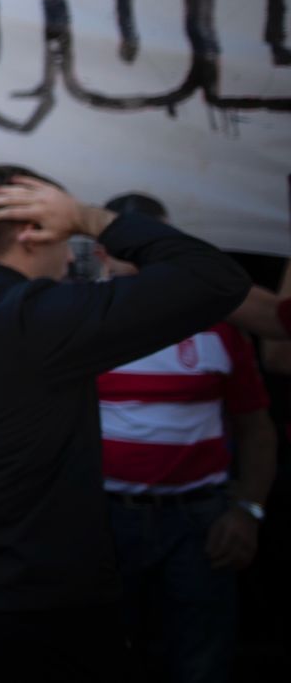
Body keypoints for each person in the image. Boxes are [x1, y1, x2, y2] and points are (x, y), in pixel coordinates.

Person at [0, 165, 252, 682]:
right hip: (38, 606)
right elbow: (218, 279)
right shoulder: (31, 318)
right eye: (65, 236)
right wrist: (89, 217)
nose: (69, 258)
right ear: (32, 231)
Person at [93, 193, 275, 682]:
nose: (145, 266)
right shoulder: (79, 324)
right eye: (132, 253)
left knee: (201, 663)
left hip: (200, 522)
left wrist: (248, 510)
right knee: (110, 657)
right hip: (106, 520)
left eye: (155, 252)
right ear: (101, 255)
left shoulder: (219, 324)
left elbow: (256, 425)